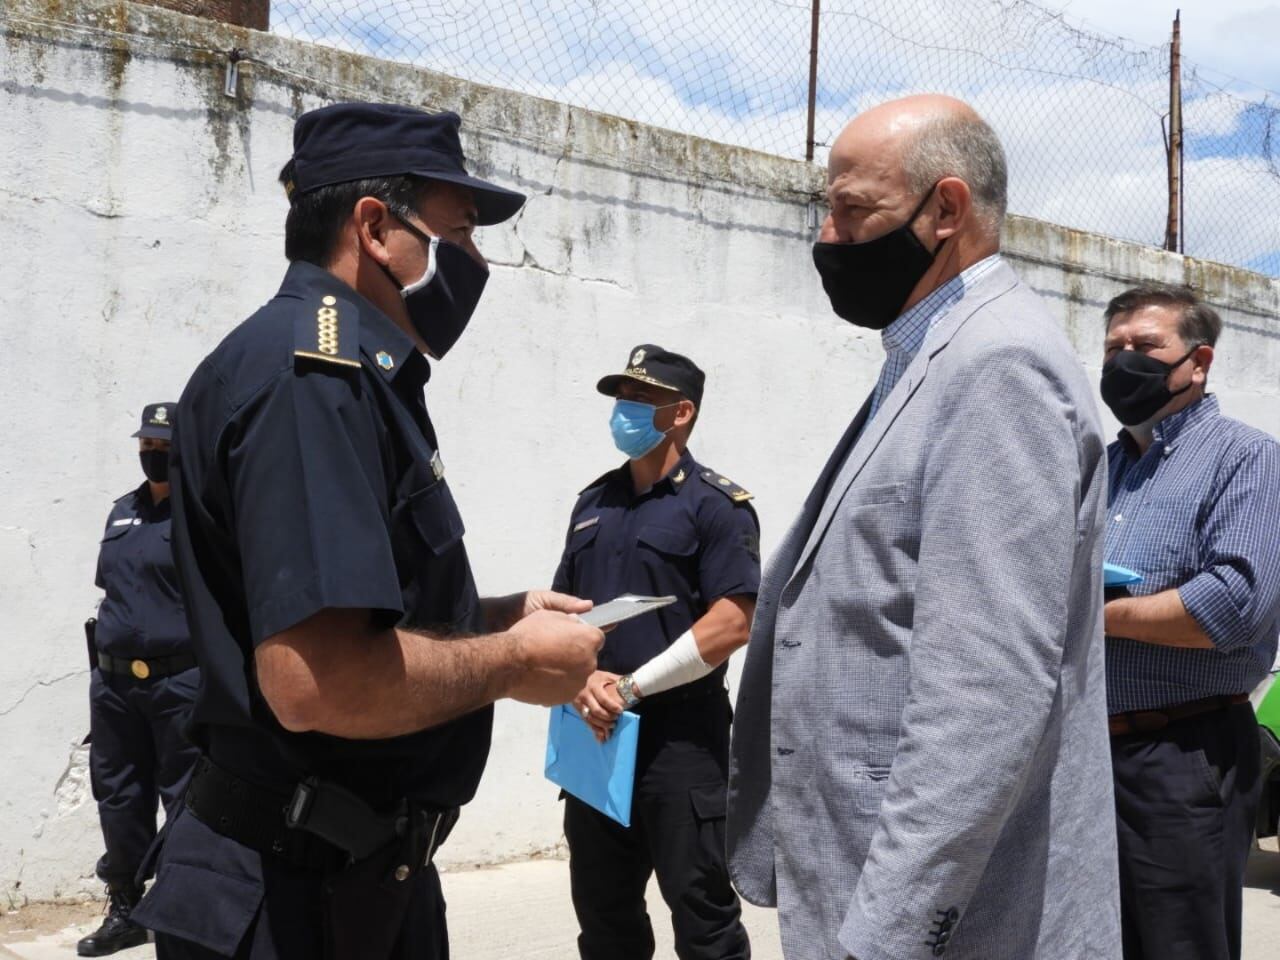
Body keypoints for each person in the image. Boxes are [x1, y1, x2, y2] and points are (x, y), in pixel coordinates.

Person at [129, 103, 604, 960]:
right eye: (456, 231)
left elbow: (344, 612)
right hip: (292, 897)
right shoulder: (315, 382)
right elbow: (323, 682)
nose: (472, 260)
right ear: (377, 228)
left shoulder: (346, 373)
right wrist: (517, 662)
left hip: (347, 877)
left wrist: (492, 615)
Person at [725, 94, 1121, 960]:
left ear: (946, 210)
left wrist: (891, 935)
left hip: (934, 923)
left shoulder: (997, 368)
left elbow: (984, 692)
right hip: (863, 883)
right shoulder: (936, 353)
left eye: (852, 209)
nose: (828, 238)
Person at [553, 345, 759, 960]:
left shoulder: (716, 506)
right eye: (622, 397)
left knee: (704, 922)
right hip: (594, 735)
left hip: (681, 746)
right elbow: (562, 613)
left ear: (681, 413)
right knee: (604, 919)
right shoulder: (593, 503)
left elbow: (733, 622)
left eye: (641, 399)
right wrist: (581, 681)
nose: (625, 410)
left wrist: (631, 687)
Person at [1098, 284, 1280, 960]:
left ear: (1198, 362)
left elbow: (1234, 604)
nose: (1123, 362)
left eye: (1145, 347)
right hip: (1090, 752)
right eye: (1113, 348)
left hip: (1184, 755)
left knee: (1180, 947)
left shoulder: (1246, 458)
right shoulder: (1102, 467)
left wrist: (1096, 614)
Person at [79, 403, 200, 957]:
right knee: (119, 795)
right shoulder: (121, 512)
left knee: (185, 799)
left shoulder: (201, 515)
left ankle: (180, 913)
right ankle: (126, 907)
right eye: (147, 446)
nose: (154, 455)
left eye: (163, 447)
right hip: (114, 687)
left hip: (179, 686)